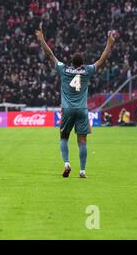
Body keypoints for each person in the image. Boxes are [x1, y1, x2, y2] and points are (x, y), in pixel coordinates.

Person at [36, 28, 115, 178]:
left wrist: (41, 40)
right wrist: (109, 44)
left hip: (67, 109)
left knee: (63, 137)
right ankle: (82, 171)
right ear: (82, 63)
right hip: (82, 109)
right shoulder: (87, 71)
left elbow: (50, 55)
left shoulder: (64, 69)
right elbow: (101, 60)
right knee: (82, 140)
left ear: (71, 63)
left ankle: (66, 163)